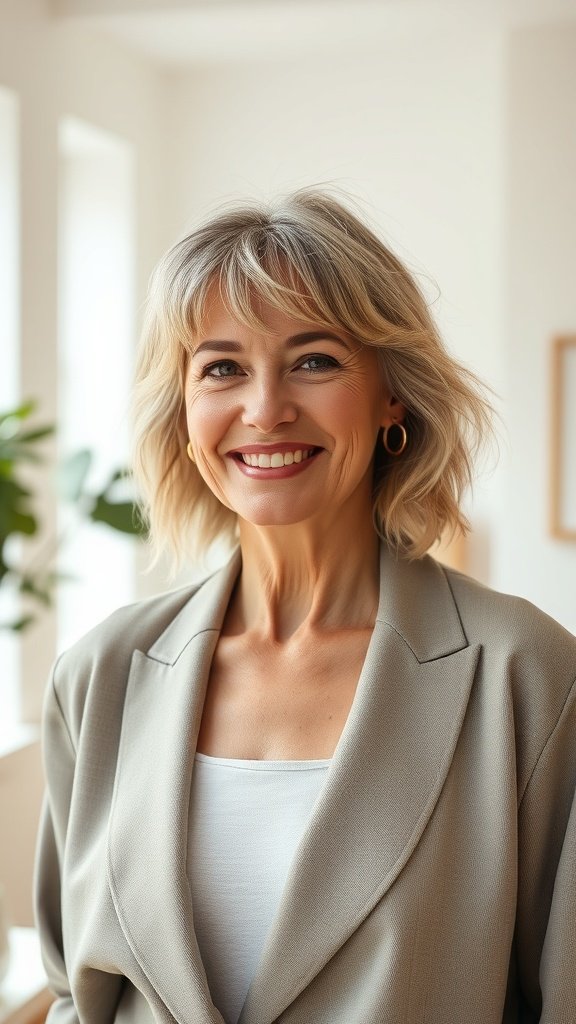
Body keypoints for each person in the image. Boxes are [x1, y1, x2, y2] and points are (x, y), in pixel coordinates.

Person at [34, 189, 576, 1024]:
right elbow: (78, 988)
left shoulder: (528, 675)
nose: (264, 409)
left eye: (314, 360)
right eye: (222, 368)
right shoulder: (97, 674)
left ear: (392, 394)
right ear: (184, 414)